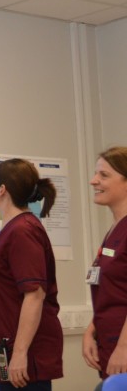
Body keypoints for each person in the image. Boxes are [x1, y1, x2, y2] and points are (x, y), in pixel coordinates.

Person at [0, 159, 62, 391]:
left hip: (26, 357)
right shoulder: (11, 230)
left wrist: (21, 353)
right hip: (9, 351)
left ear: (3, 190)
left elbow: (34, 296)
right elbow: (6, 297)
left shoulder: (23, 231)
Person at [83, 146, 127, 378]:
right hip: (110, 343)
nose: (93, 181)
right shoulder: (114, 230)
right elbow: (115, 291)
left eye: (104, 175)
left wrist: (124, 347)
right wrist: (92, 329)